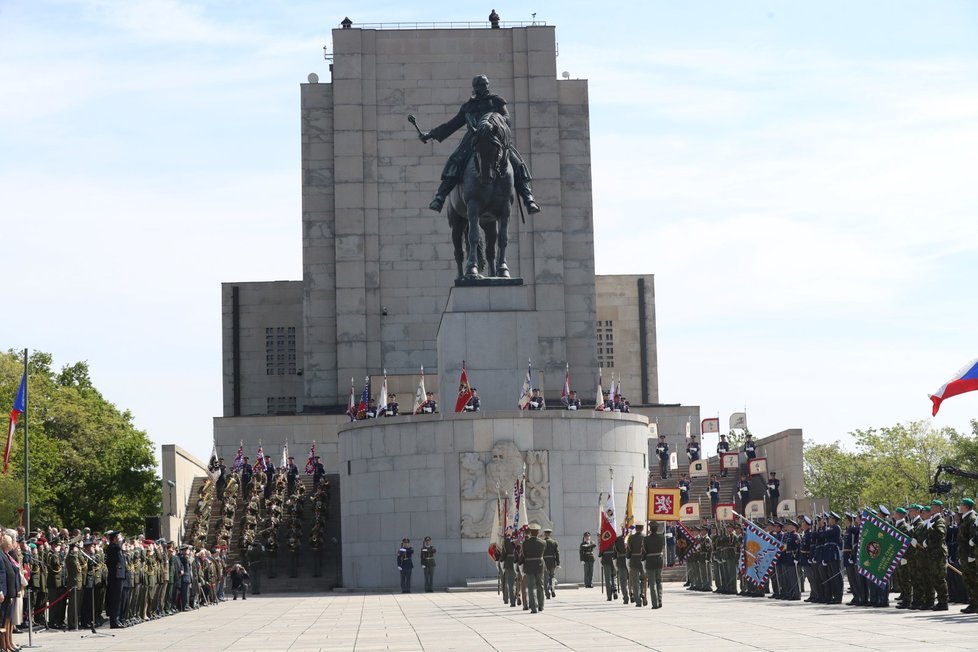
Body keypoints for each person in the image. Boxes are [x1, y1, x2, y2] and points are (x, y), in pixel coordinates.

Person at [419, 75, 540, 215]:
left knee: (517, 162)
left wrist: (494, 122)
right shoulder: (468, 107)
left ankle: (528, 197)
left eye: (485, 85)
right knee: (455, 160)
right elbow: (452, 125)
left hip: (495, 139)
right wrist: (431, 134)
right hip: (473, 140)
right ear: (475, 87)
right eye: (481, 85)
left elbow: (507, 119)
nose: (484, 88)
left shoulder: (497, 101)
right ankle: (440, 196)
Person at [520, 524, 546, 613]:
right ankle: (541, 606)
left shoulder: (525, 543)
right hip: (539, 566)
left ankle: (534, 607)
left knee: (531, 587)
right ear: (538, 532)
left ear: (530, 532)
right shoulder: (543, 542)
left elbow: (523, 555)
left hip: (529, 566)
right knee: (540, 586)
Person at [958, 498, 977, 613]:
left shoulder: (972, 518)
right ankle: (973, 602)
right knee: (968, 579)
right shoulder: (965, 518)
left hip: (970, 554)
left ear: (966, 506)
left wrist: (971, 555)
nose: (960, 506)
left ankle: (975, 603)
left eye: (961, 504)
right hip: (964, 554)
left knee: (973, 579)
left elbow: (972, 537)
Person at [105, 530, 126, 628]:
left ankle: (117, 619)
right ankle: (114, 621)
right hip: (115, 576)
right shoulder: (112, 547)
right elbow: (118, 547)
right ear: (114, 538)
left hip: (119, 575)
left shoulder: (116, 547)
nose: (119, 539)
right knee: (115, 599)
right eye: (118, 537)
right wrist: (121, 541)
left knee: (119, 599)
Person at [643, 521, 665, 609]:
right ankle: (660, 600)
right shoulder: (661, 537)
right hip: (659, 561)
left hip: (650, 561)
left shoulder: (646, 539)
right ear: (657, 529)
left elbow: (644, 551)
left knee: (652, 583)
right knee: (659, 581)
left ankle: (655, 603)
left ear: (650, 529)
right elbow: (662, 548)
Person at [626, 523, 646, 607]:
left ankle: (638, 601)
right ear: (642, 529)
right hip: (643, 560)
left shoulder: (631, 537)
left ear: (636, 529)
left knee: (635, 581)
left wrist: (628, 558)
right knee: (643, 579)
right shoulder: (645, 537)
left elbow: (628, 550)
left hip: (634, 560)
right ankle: (642, 593)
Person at [613, 529, 630, 604]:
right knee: (633, 580)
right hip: (631, 561)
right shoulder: (632, 538)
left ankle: (626, 597)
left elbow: (615, 552)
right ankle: (633, 595)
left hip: (621, 562)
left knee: (623, 582)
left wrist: (615, 562)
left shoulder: (617, 540)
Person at [542, 527, 559, 598]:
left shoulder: (542, 542)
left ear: (544, 534)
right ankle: (553, 589)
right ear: (550, 534)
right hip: (552, 561)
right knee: (552, 577)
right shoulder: (554, 542)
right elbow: (557, 553)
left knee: (545, 578)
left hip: (544, 562)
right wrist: (558, 563)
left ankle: (547, 593)